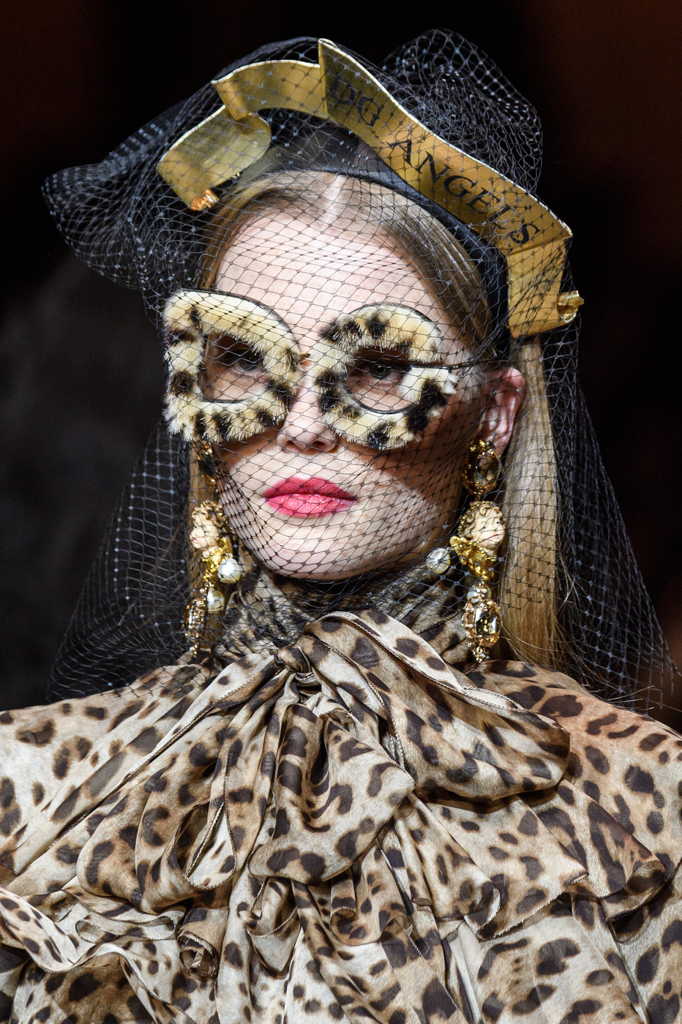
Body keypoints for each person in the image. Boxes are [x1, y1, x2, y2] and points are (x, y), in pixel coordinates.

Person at [0, 32, 679, 1024]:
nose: (303, 423)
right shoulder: (32, 795)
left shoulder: (642, 819)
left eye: (378, 367)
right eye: (245, 358)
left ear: (494, 412)